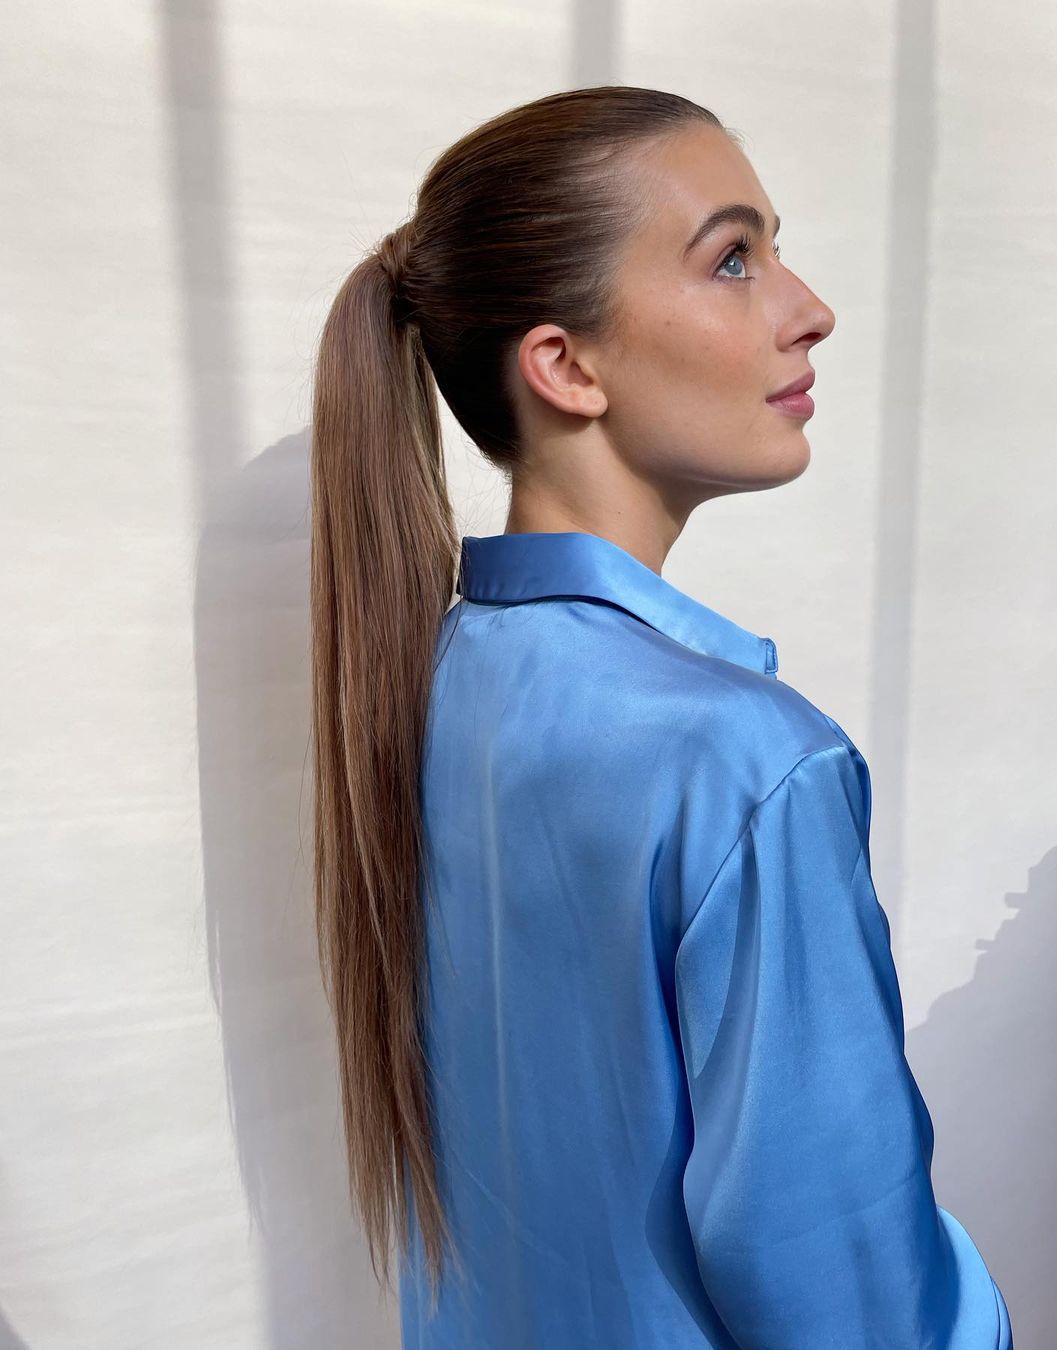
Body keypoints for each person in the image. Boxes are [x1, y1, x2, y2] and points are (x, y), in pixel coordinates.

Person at [308, 84, 1013, 1349]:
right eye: (733, 259)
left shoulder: (421, 685)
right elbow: (854, 1303)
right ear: (566, 367)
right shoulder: (751, 765)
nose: (810, 309)